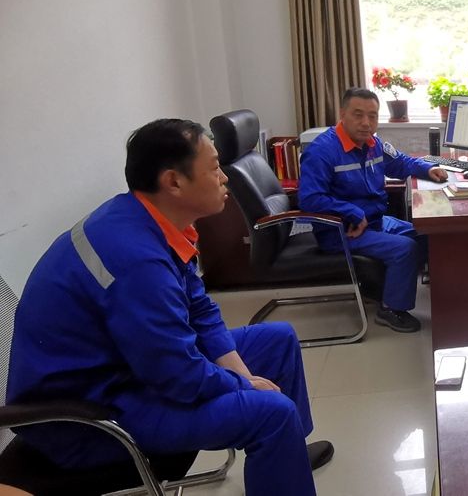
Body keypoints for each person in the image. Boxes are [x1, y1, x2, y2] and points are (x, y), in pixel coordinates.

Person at [6, 119, 332, 496]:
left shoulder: (150, 220)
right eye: (214, 168)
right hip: (90, 415)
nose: (225, 177)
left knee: (278, 339)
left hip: (130, 373)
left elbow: (200, 309)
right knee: (272, 413)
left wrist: (242, 375)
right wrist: (243, 384)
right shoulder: (136, 260)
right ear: (174, 182)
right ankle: (280, 439)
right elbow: (177, 375)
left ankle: (288, 455)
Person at [298, 87, 447, 333]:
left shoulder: (373, 143)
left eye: (373, 116)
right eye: (358, 115)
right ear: (342, 114)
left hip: (374, 221)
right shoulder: (322, 151)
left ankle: (384, 288)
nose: (366, 123)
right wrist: (351, 212)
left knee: (426, 235)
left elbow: (400, 163)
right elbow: (309, 199)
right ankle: (391, 309)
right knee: (405, 248)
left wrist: (427, 169)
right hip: (341, 230)